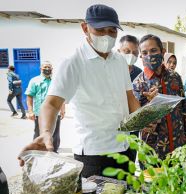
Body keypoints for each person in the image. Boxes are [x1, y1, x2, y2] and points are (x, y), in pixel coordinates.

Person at [19, 4, 147, 178]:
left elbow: (129, 97)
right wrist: (46, 133)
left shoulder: (119, 61)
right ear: (85, 28)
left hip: (124, 147)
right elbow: (51, 103)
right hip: (94, 155)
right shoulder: (73, 62)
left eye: (112, 31)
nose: (107, 36)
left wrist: (144, 118)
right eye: (100, 30)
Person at [133, 34, 186, 160]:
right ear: (141, 57)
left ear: (162, 52)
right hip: (153, 149)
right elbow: (136, 121)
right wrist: (151, 105)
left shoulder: (175, 77)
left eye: (153, 50)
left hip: (178, 145)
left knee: (178, 179)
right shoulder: (138, 83)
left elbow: (184, 108)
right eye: (145, 53)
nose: (149, 55)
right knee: (154, 180)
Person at [25, 61, 65, 153]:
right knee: (39, 133)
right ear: (41, 69)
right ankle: (38, 152)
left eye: (49, 67)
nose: (47, 69)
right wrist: (30, 111)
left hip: (56, 112)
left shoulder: (56, 81)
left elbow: (61, 96)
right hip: (39, 113)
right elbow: (29, 96)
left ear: (52, 69)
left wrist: (63, 110)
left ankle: (53, 152)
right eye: (45, 67)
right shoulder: (34, 81)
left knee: (55, 134)